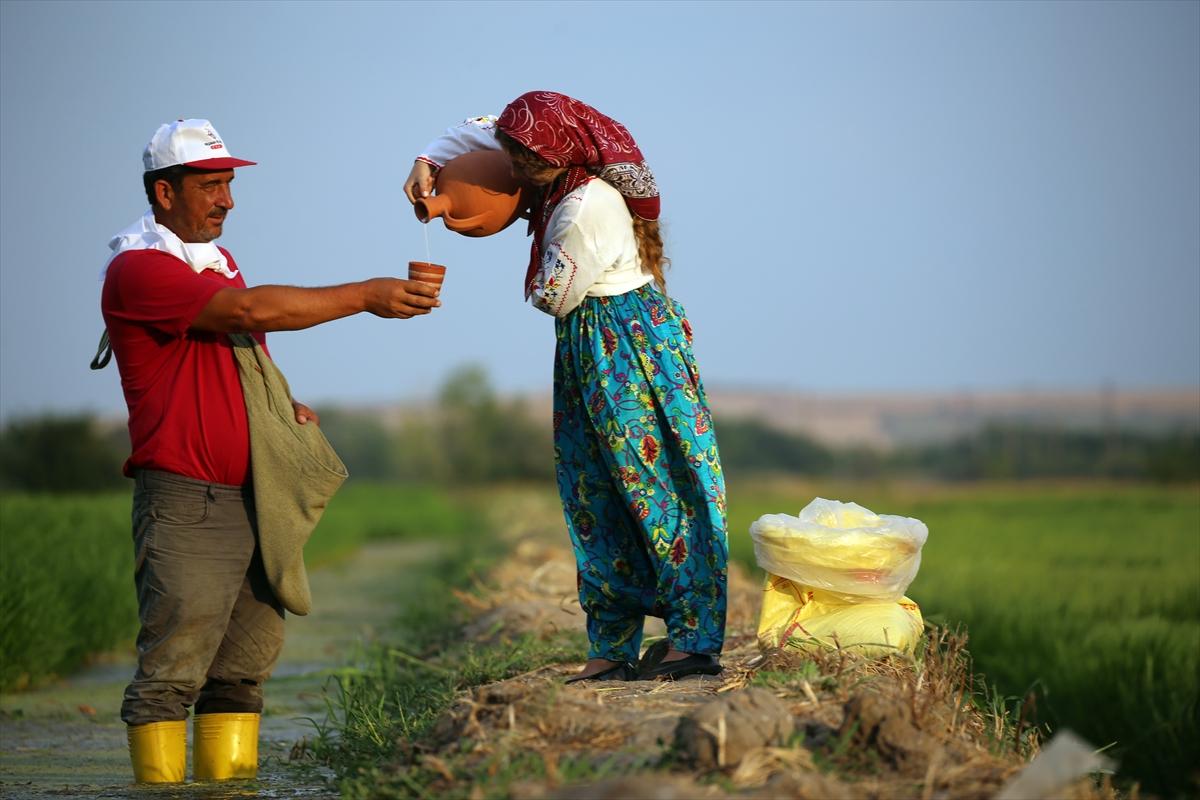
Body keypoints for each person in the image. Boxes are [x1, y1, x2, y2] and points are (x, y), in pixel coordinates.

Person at [99, 119, 441, 784]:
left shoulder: (216, 265)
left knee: (240, 673)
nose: (226, 199)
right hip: (187, 501)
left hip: (255, 497)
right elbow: (250, 313)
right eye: (210, 186)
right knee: (171, 676)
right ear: (164, 194)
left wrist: (281, 409)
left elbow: (243, 351)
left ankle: (231, 791)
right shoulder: (139, 270)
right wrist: (366, 297)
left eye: (228, 184)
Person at [404, 92, 728, 683]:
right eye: (514, 158)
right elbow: (482, 132)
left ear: (561, 155)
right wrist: (430, 160)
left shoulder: (582, 207)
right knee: (593, 492)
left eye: (527, 163)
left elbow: (556, 293)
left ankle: (693, 641)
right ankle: (611, 648)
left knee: (655, 486)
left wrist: (522, 229)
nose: (516, 171)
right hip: (591, 345)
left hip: (623, 347)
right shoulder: (554, 182)